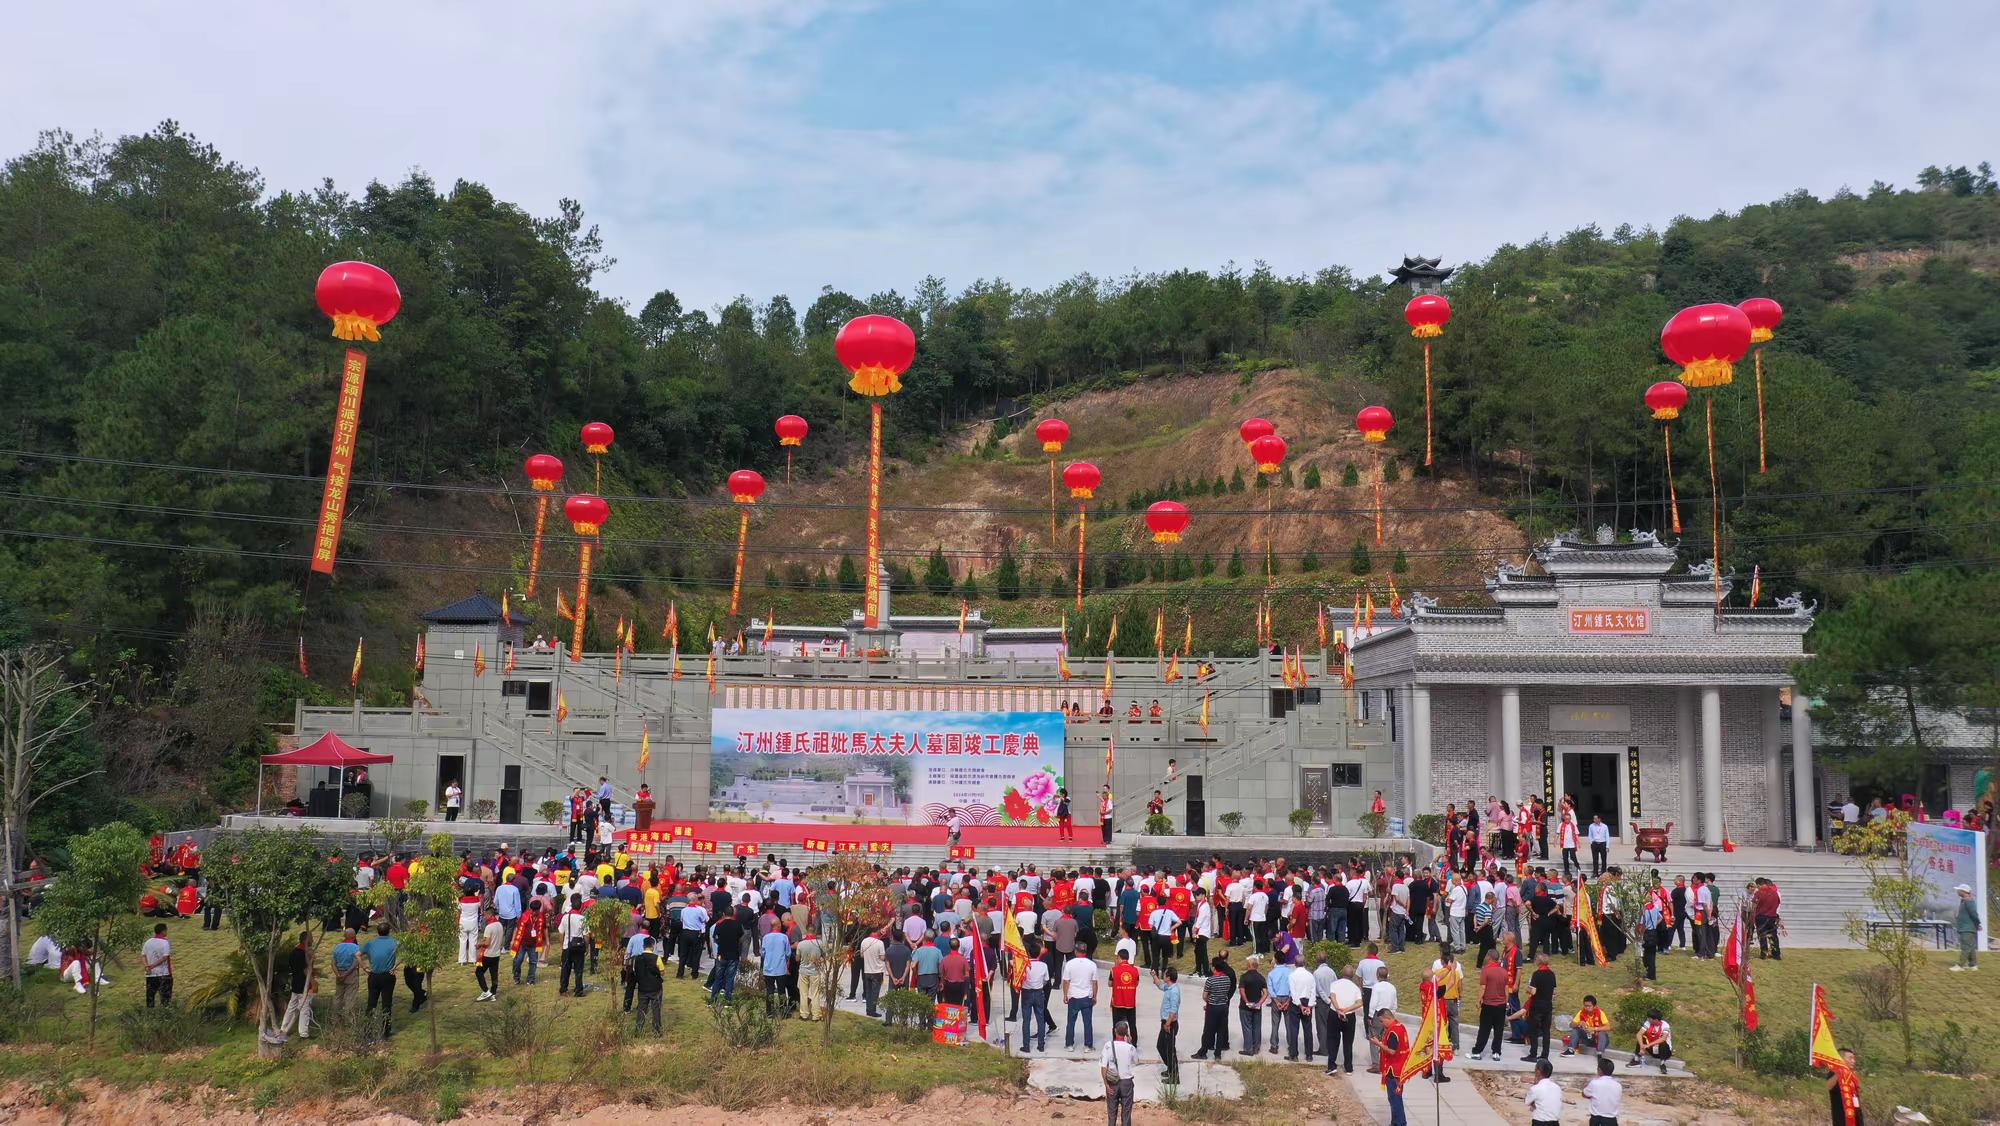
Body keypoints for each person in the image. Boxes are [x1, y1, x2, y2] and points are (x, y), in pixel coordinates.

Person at [1373, 1003, 1410, 1126]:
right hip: (1401, 1067)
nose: (1382, 1024)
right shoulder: (1401, 1026)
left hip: (1393, 1070)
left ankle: (1400, 1123)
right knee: (1395, 1098)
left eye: (1382, 1021)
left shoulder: (1393, 1031)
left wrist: (1378, 1044)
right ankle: (1395, 1122)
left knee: (1395, 1099)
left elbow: (1392, 1051)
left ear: (1388, 1018)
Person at [1516, 952, 1557, 1061]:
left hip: (1537, 1006)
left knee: (1533, 1030)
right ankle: (1545, 1055)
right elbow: (1554, 992)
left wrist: (1527, 989)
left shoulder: (1537, 974)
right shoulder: (1552, 974)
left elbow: (1533, 991)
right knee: (1546, 1031)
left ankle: (1533, 1054)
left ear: (1538, 962)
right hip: (1548, 1005)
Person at [362, 923, 399, 1038]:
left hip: (374, 975)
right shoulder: (394, 942)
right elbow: (405, 953)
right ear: (389, 931)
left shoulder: (371, 943)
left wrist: (364, 967)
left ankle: (367, 1030)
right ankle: (386, 1031)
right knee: (386, 1003)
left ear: (377, 931)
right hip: (388, 975)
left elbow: (357, 954)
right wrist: (395, 966)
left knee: (371, 1003)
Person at [1193, 955, 1232, 1060]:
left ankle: (1203, 1052)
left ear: (1214, 967)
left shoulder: (1210, 980)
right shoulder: (1227, 979)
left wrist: (1209, 1001)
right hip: (1223, 1007)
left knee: (1208, 1031)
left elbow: (1204, 996)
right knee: (1220, 1030)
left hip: (1213, 1007)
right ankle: (1217, 1054)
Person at [280, 931, 316, 1039]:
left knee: (291, 1006)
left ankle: (284, 1028)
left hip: (295, 982)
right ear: (306, 940)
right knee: (305, 1008)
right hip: (304, 983)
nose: (313, 940)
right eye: (311, 938)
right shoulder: (302, 954)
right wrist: (313, 982)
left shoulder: (294, 952)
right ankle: (303, 1033)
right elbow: (306, 970)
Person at [1102, 1020, 1139, 1126]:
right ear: (1127, 1032)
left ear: (1114, 1031)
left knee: (1112, 1112)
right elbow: (1136, 1061)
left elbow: (1104, 1067)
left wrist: (1106, 1084)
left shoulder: (1108, 1046)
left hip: (1112, 1082)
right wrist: (1130, 1042)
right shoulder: (1130, 1047)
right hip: (1126, 1083)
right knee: (1126, 1112)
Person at [1063, 946, 1100, 1050]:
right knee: (1087, 1023)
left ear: (1075, 951)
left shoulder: (1069, 964)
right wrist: (1095, 996)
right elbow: (1095, 982)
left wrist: (1065, 995)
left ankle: (1069, 1044)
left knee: (1071, 1022)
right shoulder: (1092, 965)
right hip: (1087, 997)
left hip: (1074, 997)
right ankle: (1088, 1045)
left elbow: (1066, 981)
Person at [631, 935, 665, 1035]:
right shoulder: (656, 958)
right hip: (655, 987)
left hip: (642, 988)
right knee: (656, 1009)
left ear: (643, 946)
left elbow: (635, 971)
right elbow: (662, 972)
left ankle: (638, 1030)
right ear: (653, 946)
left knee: (641, 1009)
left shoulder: (636, 959)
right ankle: (657, 1030)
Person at [1020, 948, 1052, 1051]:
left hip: (1026, 993)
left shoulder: (1024, 964)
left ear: (1028, 953)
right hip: (1039, 993)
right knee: (1040, 1019)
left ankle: (1026, 1046)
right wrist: (1040, 985)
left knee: (1026, 1020)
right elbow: (1046, 980)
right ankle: (1041, 1045)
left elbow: (1019, 978)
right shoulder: (1043, 965)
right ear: (1039, 954)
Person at [1236, 955, 1266, 1056]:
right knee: (1257, 1027)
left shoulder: (1244, 977)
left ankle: (1248, 1049)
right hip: (1257, 1007)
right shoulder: (1261, 977)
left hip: (1245, 1007)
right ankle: (1256, 1047)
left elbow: (1242, 991)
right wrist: (1259, 1003)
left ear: (1249, 965)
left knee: (1247, 1027)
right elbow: (1266, 993)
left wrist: (1247, 1001)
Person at [1157, 967, 1182, 1085]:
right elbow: (1160, 985)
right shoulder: (1169, 987)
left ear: (1168, 977)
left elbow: (1173, 1009)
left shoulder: (1174, 991)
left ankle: (1174, 1077)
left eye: (1165, 974)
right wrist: (1154, 976)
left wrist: (1167, 1023)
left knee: (1170, 1050)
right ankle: (1170, 1068)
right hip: (1166, 1023)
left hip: (1170, 1024)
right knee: (1160, 1046)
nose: (1163, 976)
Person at [331, 927, 361, 1024]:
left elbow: (333, 963)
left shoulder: (337, 947)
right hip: (350, 975)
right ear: (354, 936)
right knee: (350, 998)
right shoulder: (355, 948)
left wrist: (338, 974)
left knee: (338, 997)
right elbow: (355, 964)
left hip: (339, 973)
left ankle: (335, 1018)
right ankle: (349, 1020)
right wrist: (346, 974)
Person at [1109, 946, 1140, 1037]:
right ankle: (1134, 1042)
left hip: (1118, 1002)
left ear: (1119, 957)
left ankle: (1116, 1041)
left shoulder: (1114, 970)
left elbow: (1110, 983)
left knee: (1116, 1023)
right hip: (1130, 1002)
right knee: (1132, 1024)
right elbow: (1136, 983)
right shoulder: (1135, 970)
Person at [1828, 1047, 1863, 1126]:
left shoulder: (1852, 1075)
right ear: (1841, 1059)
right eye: (1850, 1058)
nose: (1853, 1061)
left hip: (1856, 1117)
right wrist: (1838, 1073)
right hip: (1842, 1119)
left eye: (1854, 1058)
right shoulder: (1834, 1072)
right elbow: (1828, 1086)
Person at [474, 908, 504, 1000]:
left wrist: (479, 944)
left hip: (488, 955)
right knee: (494, 974)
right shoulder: (499, 924)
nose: (484, 917)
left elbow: (487, 943)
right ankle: (493, 993)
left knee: (479, 972)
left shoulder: (489, 927)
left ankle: (486, 991)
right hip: (496, 954)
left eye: (485, 915)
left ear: (490, 915)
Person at [141, 923, 173, 1008]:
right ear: (163, 931)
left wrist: (146, 966)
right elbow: (165, 957)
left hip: (150, 973)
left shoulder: (148, 942)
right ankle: (165, 1013)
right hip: (164, 973)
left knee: (150, 995)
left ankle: (150, 1013)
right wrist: (152, 965)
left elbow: (143, 955)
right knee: (166, 997)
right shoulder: (165, 942)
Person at [1523, 1058, 1563, 1126]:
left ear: (1538, 1071)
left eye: (1535, 1069)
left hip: (1540, 1122)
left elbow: (1527, 1101)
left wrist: (1535, 1084)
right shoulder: (1557, 1088)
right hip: (1555, 1123)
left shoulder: (1536, 1088)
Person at [1585, 1055, 1622, 1126]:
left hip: (1597, 1120)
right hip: (1612, 1120)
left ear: (1599, 1070)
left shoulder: (1595, 1083)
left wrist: (1591, 1096)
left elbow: (1584, 1094)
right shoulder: (1618, 1085)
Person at [1951, 883, 1981, 971]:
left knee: (1965, 947)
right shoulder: (1964, 901)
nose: (1957, 891)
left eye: (1958, 890)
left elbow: (1974, 914)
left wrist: (1978, 924)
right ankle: (1973, 965)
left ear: (1963, 891)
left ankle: (1960, 965)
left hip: (1967, 928)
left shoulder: (1969, 901)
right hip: (1965, 927)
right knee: (1970, 947)